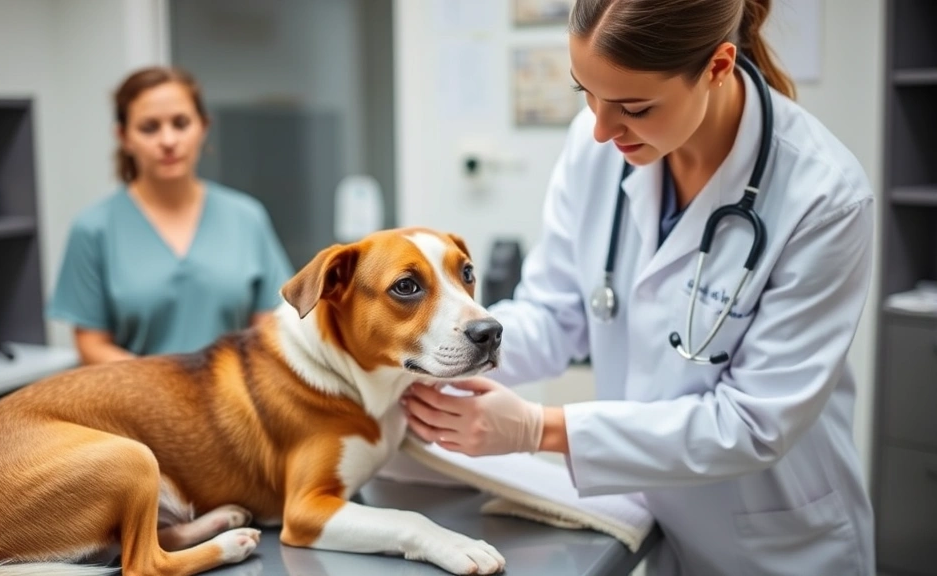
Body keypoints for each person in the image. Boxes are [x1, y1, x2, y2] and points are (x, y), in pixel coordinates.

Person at [402, 1, 876, 574]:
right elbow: (553, 312)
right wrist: (436, 353)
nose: (601, 130)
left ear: (719, 67)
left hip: (775, 539)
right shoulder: (597, 143)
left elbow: (751, 423)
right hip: (654, 523)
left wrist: (536, 428)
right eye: (586, 93)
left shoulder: (824, 196)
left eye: (634, 106)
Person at [48, 66, 294, 364]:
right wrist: (170, 394)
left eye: (181, 123)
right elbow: (91, 344)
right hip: (136, 405)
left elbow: (271, 326)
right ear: (124, 137)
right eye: (149, 127)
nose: (168, 140)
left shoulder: (247, 217)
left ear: (203, 127)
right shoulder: (93, 229)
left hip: (233, 402)